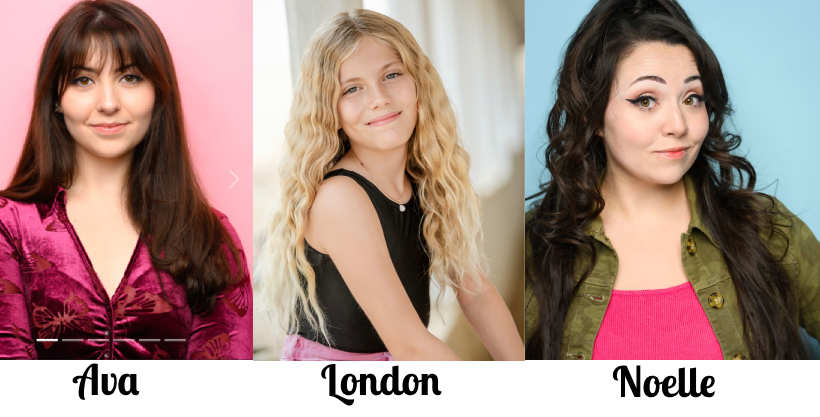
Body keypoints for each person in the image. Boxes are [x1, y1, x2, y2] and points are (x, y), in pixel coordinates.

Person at [525, 0, 820, 360]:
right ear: (593, 116)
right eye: (646, 100)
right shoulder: (535, 250)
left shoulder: (768, 230)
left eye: (692, 98)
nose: (679, 125)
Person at [0, 0, 252, 359]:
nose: (107, 102)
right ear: (57, 97)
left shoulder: (210, 236)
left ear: (158, 93)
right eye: (83, 79)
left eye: (130, 77)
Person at [260, 9, 523, 361]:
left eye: (392, 75)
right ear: (330, 110)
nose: (379, 97)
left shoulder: (426, 181)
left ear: (418, 83)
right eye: (353, 88)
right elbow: (410, 344)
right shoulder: (340, 199)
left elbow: (475, 293)